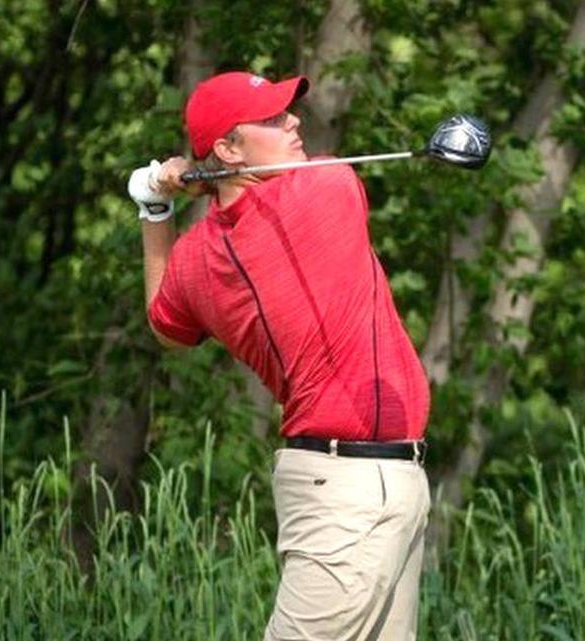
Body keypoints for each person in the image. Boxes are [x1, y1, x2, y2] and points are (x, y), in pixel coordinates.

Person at [126, 71, 431, 641]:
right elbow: (295, 187)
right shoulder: (325, 190)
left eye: (286, 112)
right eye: (269, 119)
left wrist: (155, 207)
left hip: (360, 485)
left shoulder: (196, 261)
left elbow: (164, 324)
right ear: (228, 149)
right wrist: (198, 182)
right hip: (352, 492)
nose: (293, 122)